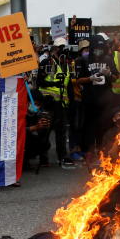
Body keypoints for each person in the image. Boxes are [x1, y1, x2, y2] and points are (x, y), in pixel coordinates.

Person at [37, 37, 75, 168]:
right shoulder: (47, 62)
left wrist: (71, 101)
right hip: (48, 102)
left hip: (62, 104)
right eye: (60, 48)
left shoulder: (67, 64)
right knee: (45, 131)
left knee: (61, 132)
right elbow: (39, 82)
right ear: (55, 49)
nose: (63, 51)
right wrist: (53, 84)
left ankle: (62, 156)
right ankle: (43, 158)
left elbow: (68, 84)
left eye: (65, 48)